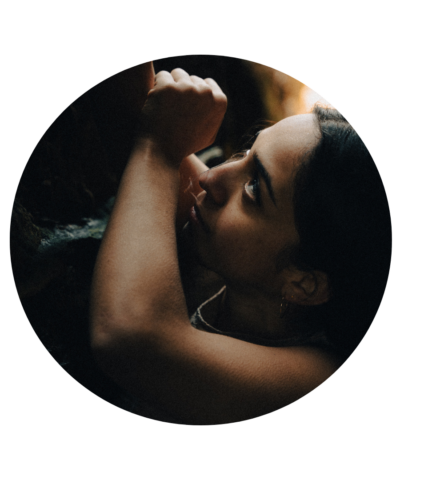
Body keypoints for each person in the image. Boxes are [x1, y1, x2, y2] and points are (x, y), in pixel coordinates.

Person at [89, 61, 392, 425]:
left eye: (253, 188)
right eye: (246, 152)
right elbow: (137, 118)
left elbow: (133, 341)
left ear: (304, 282)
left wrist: (157, 148)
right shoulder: (236, 260)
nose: (212, 177)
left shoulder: (313, 379)